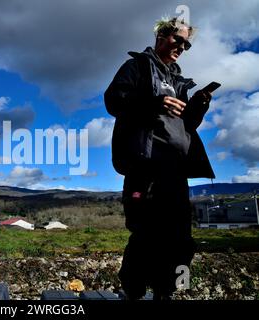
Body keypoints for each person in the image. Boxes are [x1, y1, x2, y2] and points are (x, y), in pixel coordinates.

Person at [104, 17, 215, 300]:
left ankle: (165, 293)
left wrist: (199, 106)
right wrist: (153, 102)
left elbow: (186, 126)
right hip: (145, 167)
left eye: (187, 44)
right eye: (178, 39)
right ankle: (133, 293)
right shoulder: (137, 66)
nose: (182, 47)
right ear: (162, 34)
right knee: (145, 234)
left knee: (179, 239)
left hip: (175, 172)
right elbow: (114, 101)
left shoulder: (178, 80)